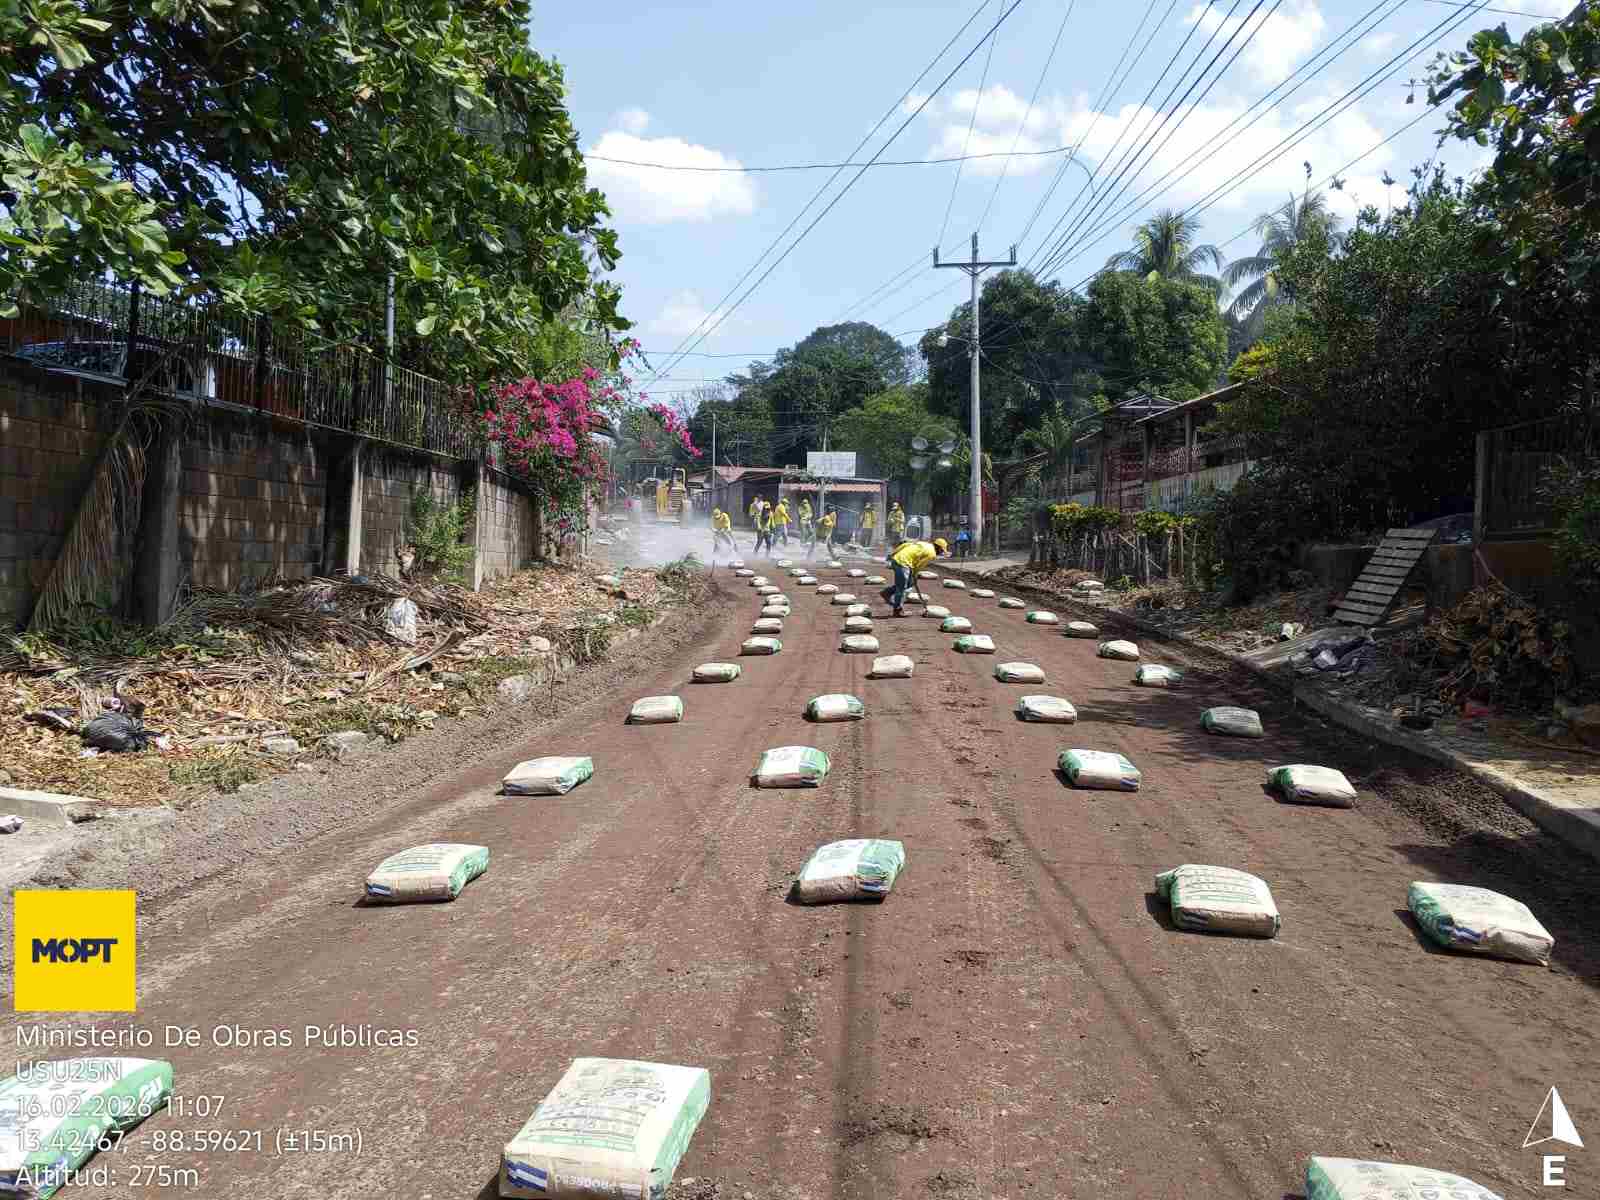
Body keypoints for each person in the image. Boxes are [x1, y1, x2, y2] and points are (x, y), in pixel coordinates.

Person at [881, 537, 948, 616]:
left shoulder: (924, 544)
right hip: (903, 563)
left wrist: (893, 554)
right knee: (902, 587)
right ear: (939, 548)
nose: (941, 552)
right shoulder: (932, 553)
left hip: (898, 559)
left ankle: (887, 592)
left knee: (910, 583)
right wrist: (915, 575)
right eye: (942, 550)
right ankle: (897, 610)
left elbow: (905, 545)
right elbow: (919, 566)